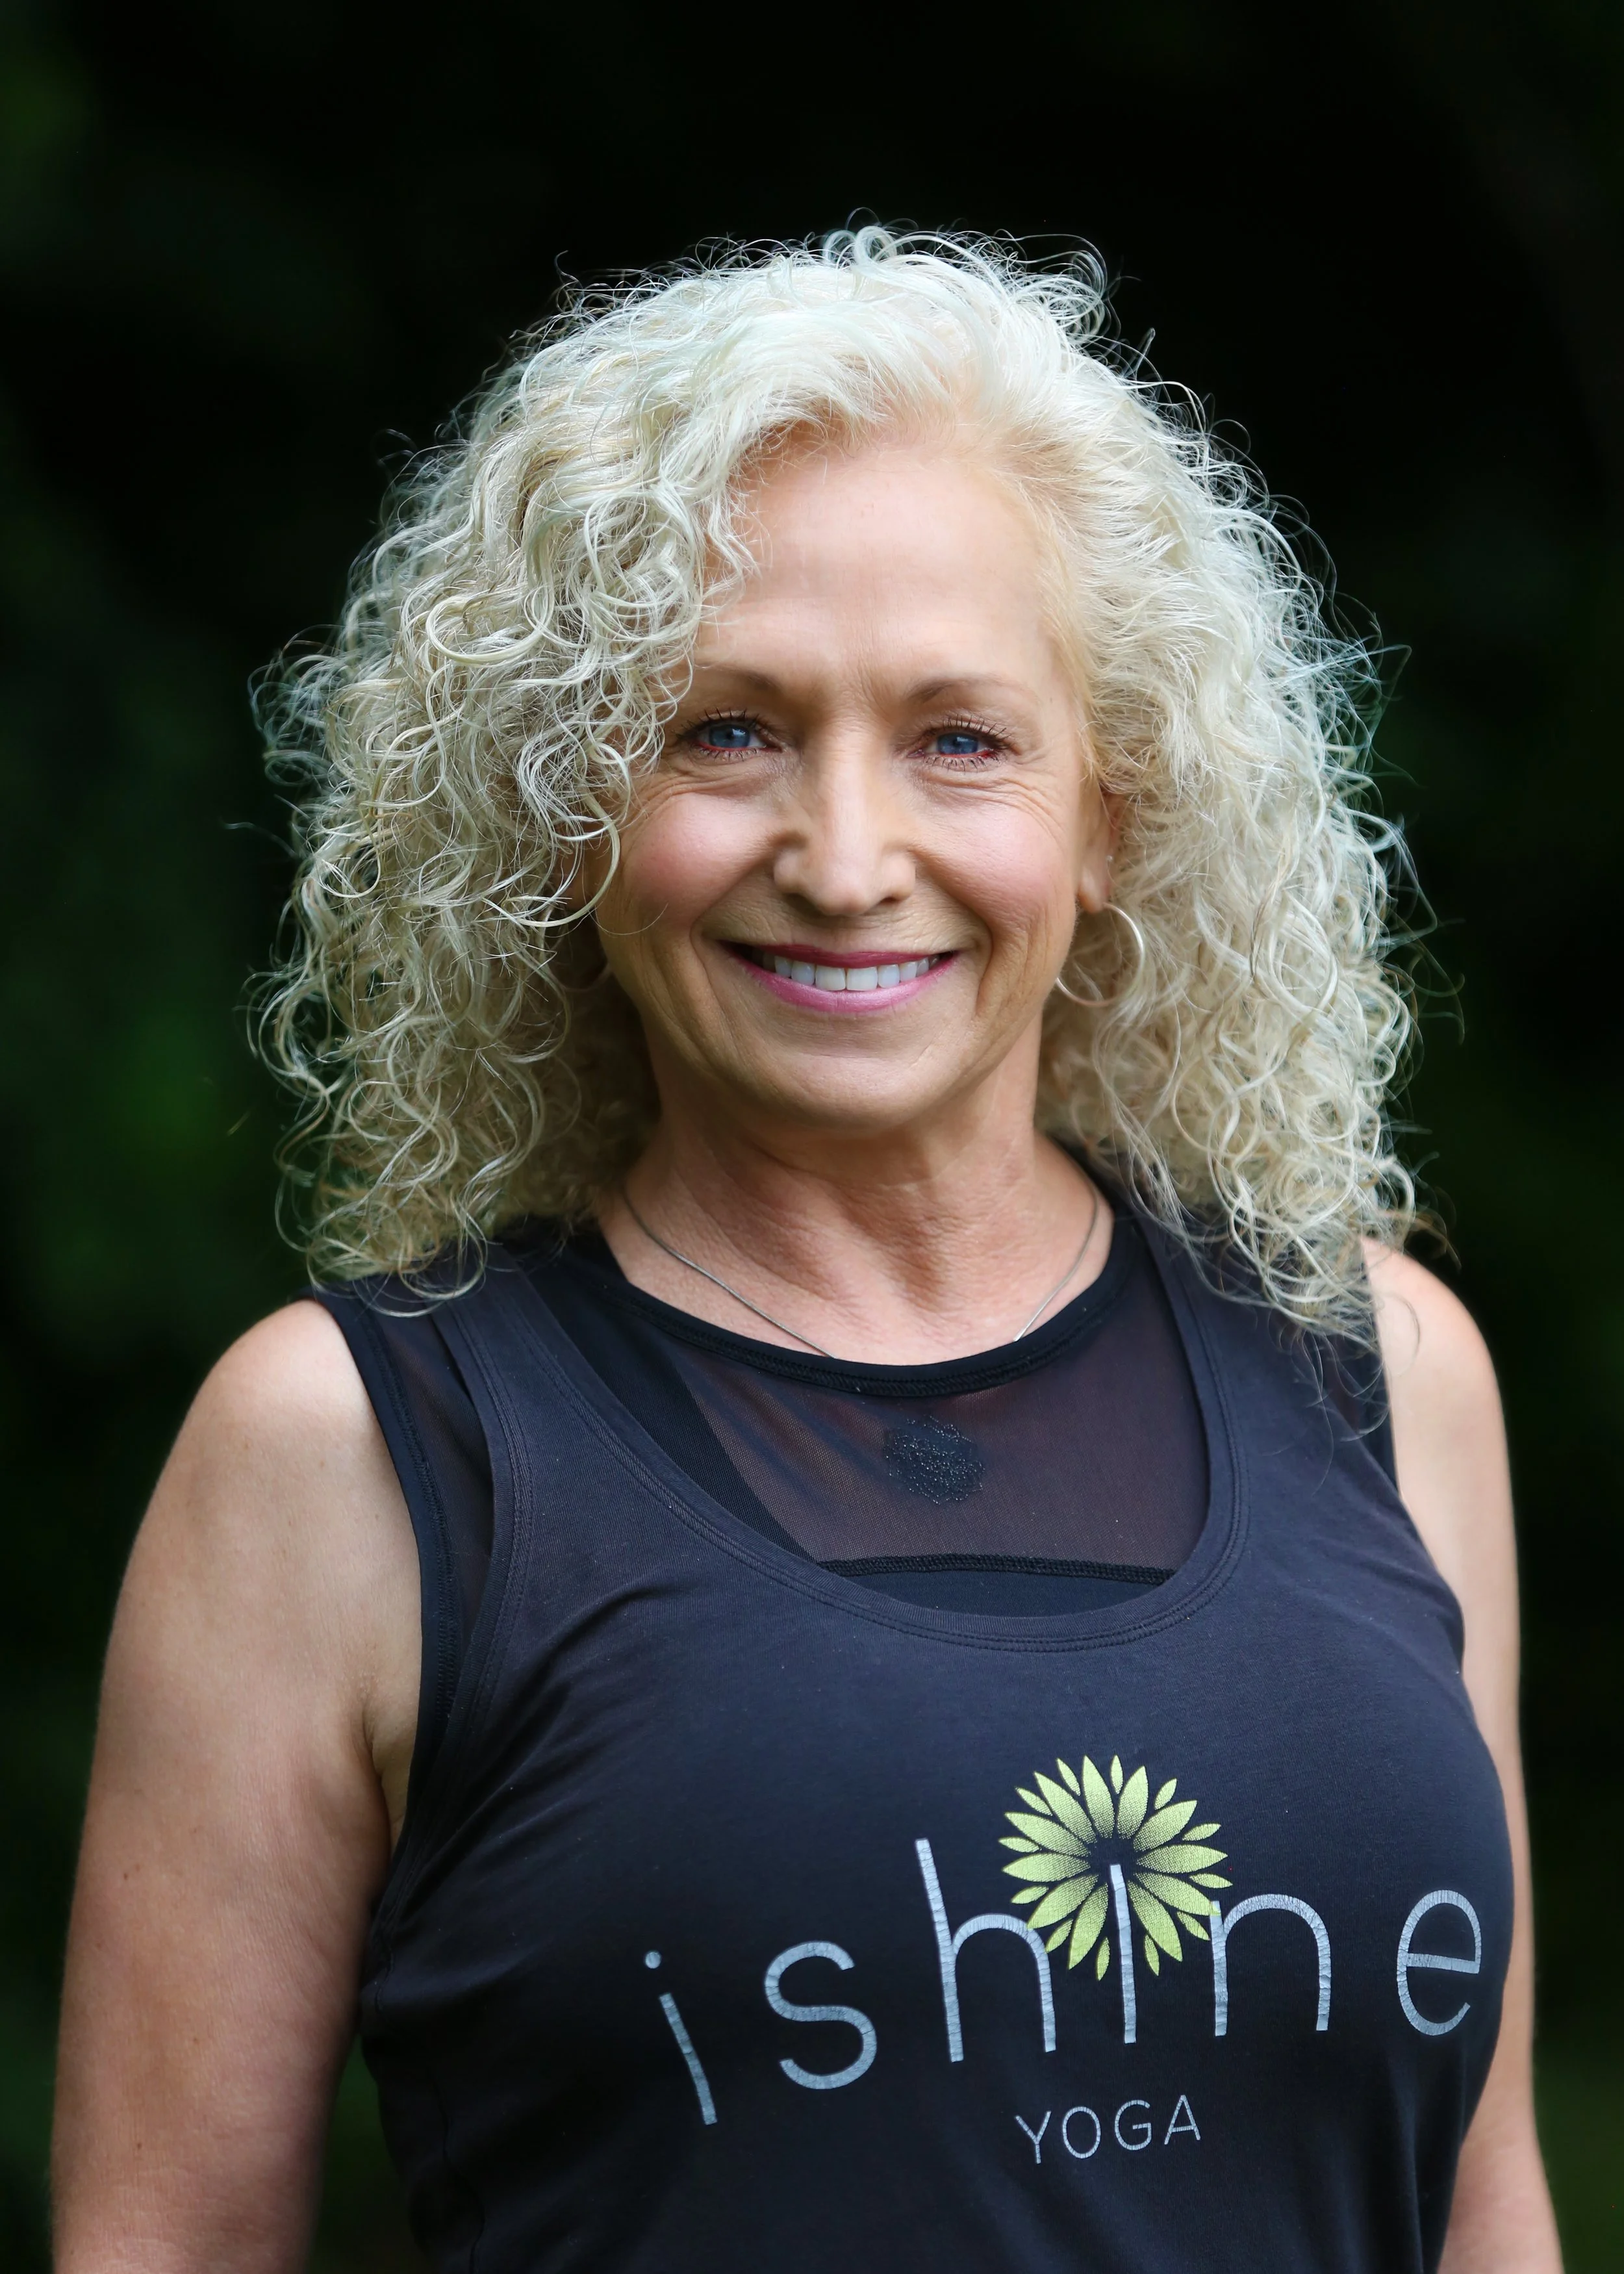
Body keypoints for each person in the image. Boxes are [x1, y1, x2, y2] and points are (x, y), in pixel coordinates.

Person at [51, 231, 1560, 2273]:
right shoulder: (353, 1454)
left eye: (960, 738)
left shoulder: (1375, 1371)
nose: (845, 860)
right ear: (566, 810)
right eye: (724, 732)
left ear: (1107, 816)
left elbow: (1482, 2210)